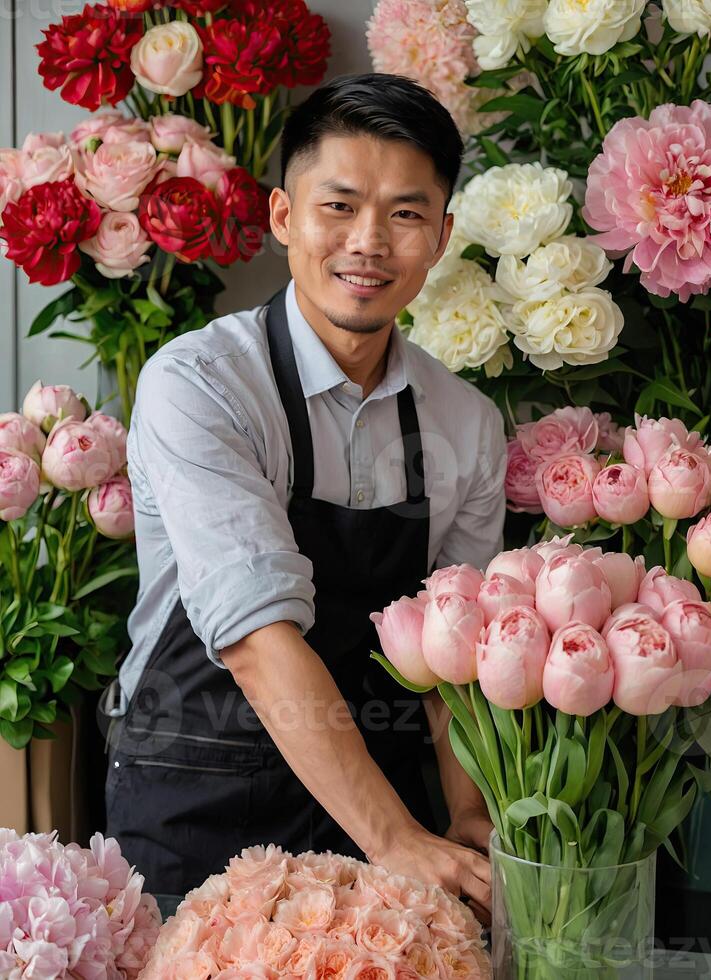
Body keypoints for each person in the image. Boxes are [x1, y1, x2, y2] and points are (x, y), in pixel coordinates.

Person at [103, 72, 506, 922]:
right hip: (198, 790)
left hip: (385, 792)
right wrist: (397, 842)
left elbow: (451, 663)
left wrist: (467, 818)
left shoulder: (465, 423)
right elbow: (253, 636)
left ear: (439, 238)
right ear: (285, 216)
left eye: (404, 214)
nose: (368, 242)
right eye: (340, 206)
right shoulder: (200, 384)